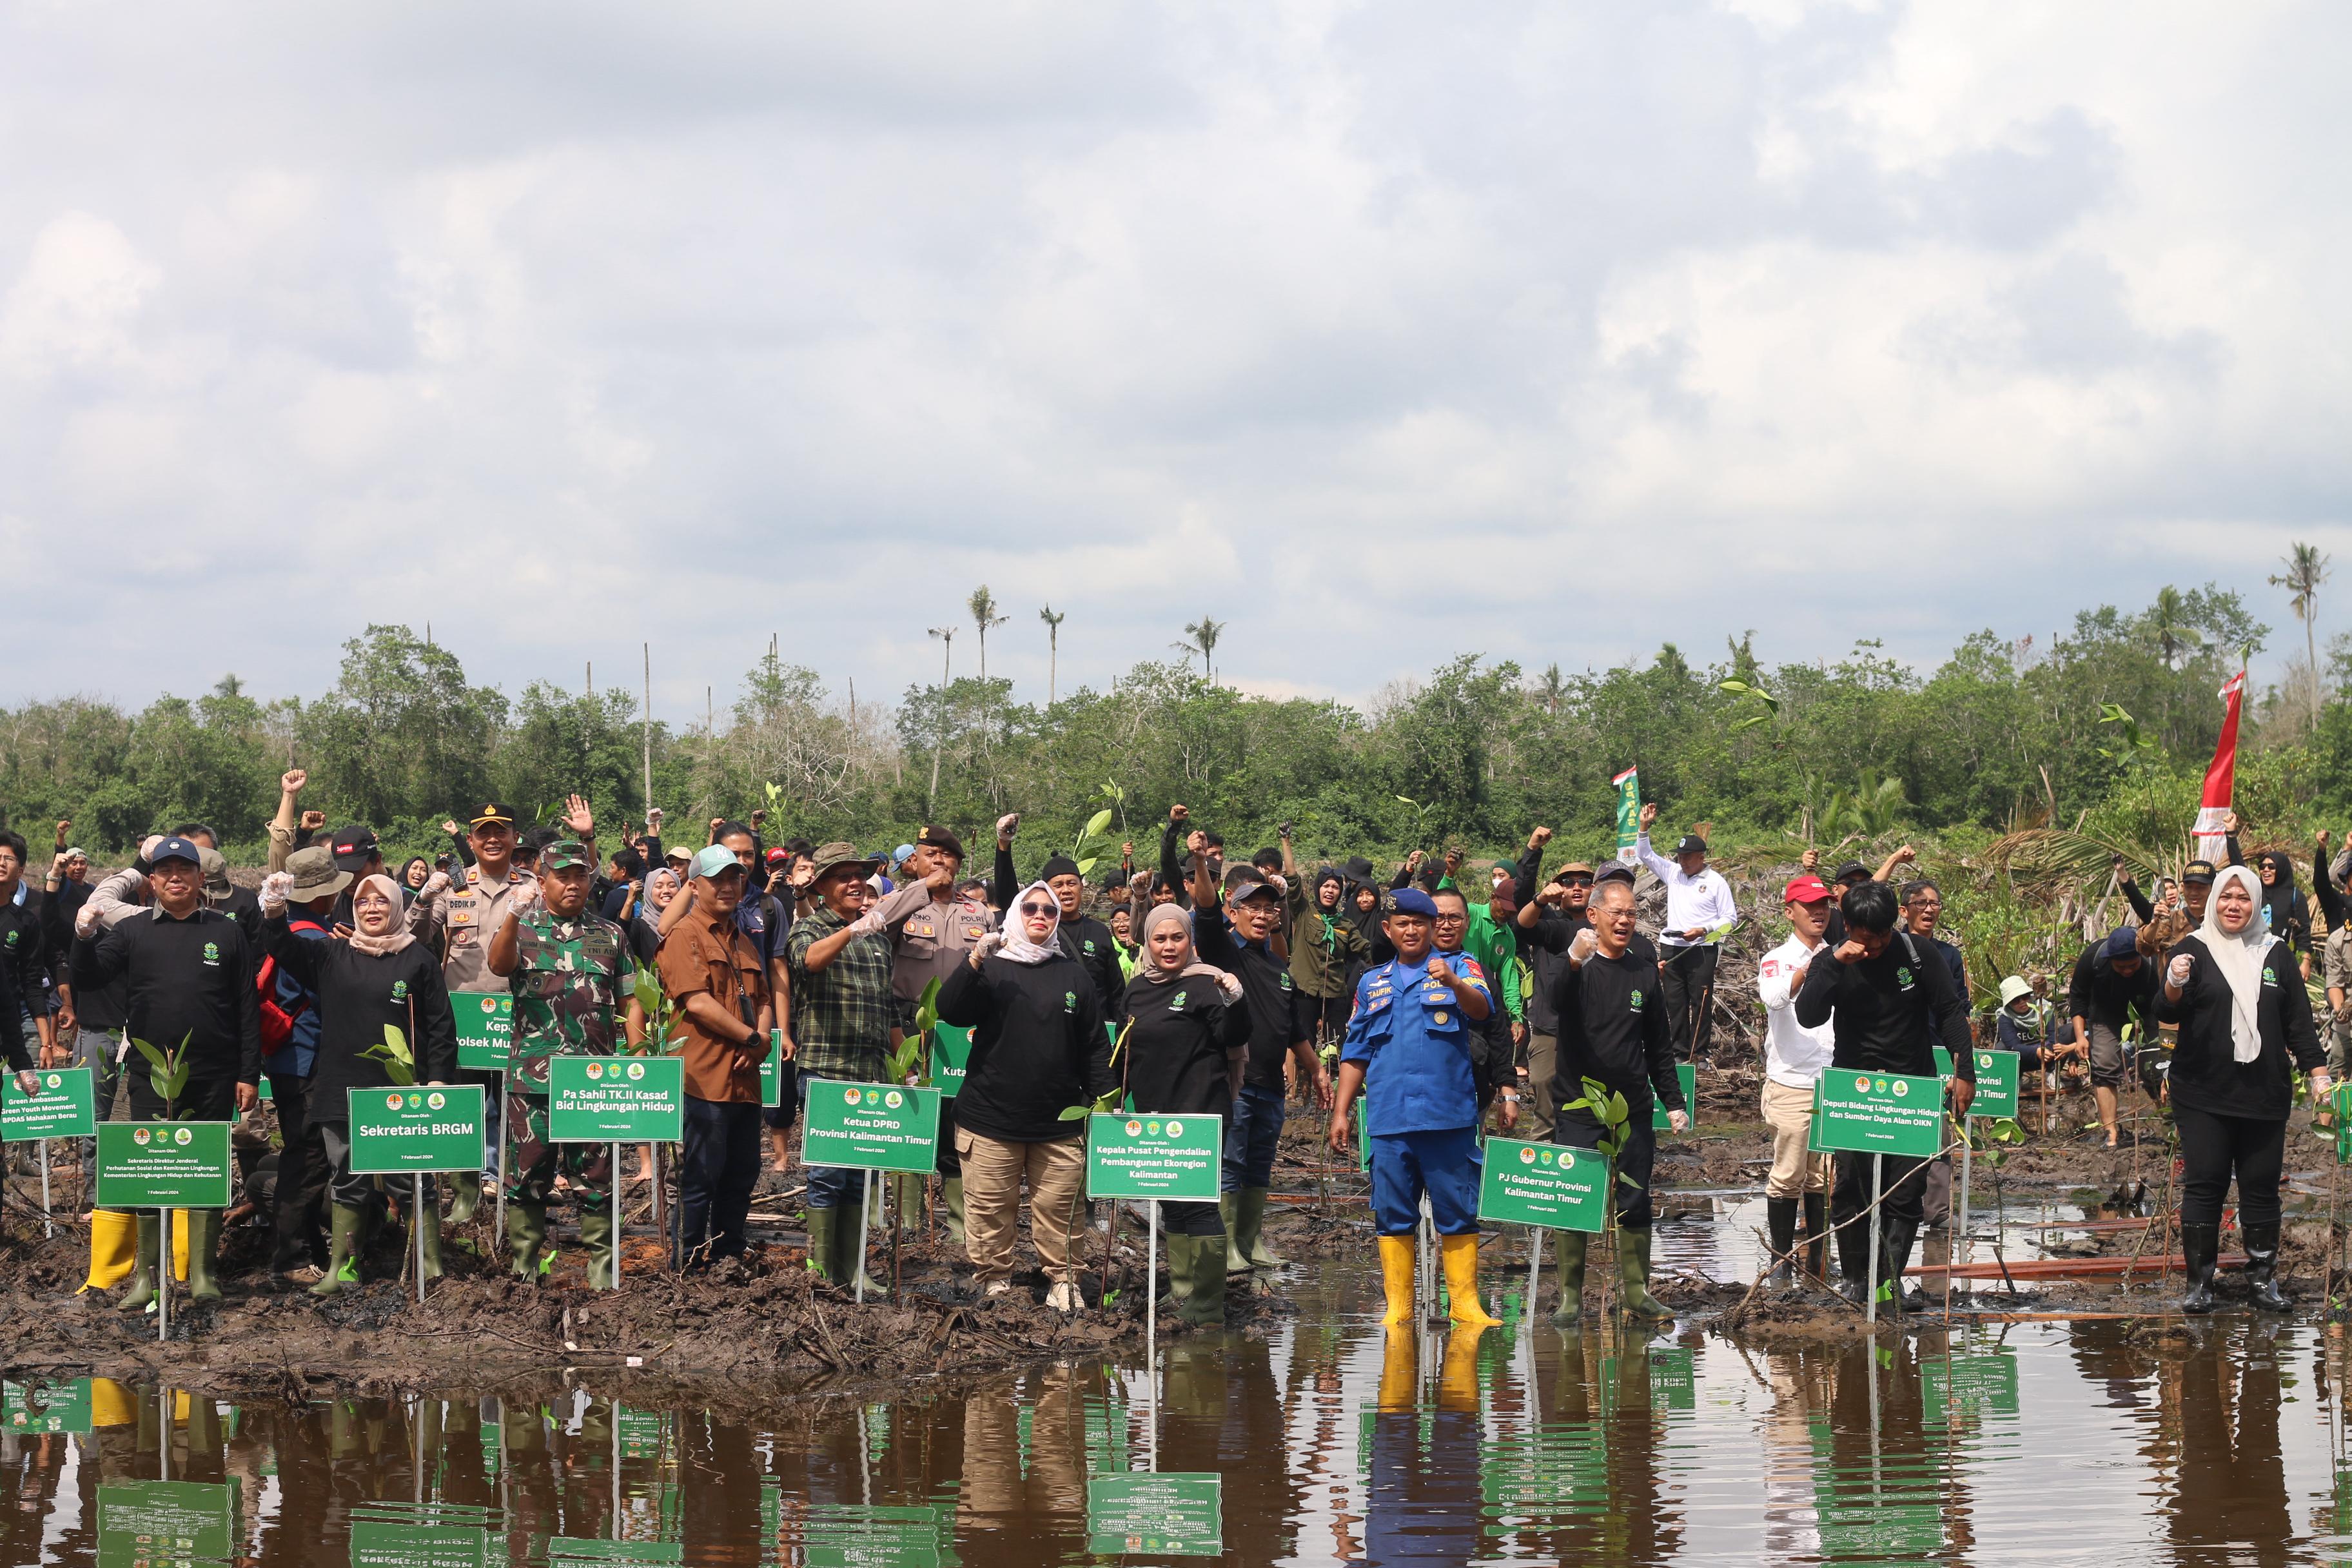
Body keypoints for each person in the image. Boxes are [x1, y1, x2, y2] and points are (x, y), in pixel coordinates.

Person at [70, 836, 261, 1308]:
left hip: (214, 1073)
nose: (176, 877)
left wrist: (248, 1073)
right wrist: (83, 938)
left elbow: (245, 1006)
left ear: (201, 879)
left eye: (185, 870)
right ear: (152, 882)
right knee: (150, 1171)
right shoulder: (135, 932)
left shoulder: (226, 931)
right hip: (151, 1074)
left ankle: (200, 1272)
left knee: (205, 1170)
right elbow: (90, 977)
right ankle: (146, 1278)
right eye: (166, 871)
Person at [257, 868, 457, 1295]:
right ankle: (342, 1268)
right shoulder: (331, 955)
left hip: (401, 1089)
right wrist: (274, 909)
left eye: (381, 901)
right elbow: (282, 947)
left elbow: (441, 1027)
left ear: (397, 907)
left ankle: (430, 1265)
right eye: (363, 902)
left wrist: (437, 1082)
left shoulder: (417, 959)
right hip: (340, 1086)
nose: (371, 908)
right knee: (346, 1174)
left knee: (410, 1178)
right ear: (352, 907)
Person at [1324, 887, 1502, 1327]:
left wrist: (1455, 982)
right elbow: (1356, 1051)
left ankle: (1465, 1305)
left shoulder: (1459, 966)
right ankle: (1399, 1307)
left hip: (1448, 1117)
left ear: (1430, 929)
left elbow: (1482, 1010)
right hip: (1389, 1119)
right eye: (1402, 923)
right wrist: (1341, 1111)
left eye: (1419, 923)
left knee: (1457, 1210)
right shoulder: (1372, 981)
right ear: (1388, 929)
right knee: (1392, 1213)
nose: (1411, 930)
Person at [936, 881, 1117, 1310]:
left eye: (1050, 911)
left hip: (1058, 1119)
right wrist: (976, 957)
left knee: (1061, 1210)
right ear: (1017, 913)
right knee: (991, 1208)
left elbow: (1094, 1044)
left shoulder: (1073, 974)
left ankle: (1062, 1279)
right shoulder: (993, 967)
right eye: (1032, 908)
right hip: (991, 1116)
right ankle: (995, 1278)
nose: (1041, 916)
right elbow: (951, 1010)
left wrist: (1107, 1102)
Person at [1794, 880, 1973, 1310]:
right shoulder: (1831, 958)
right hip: (1853, 1088)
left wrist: (1964, 1070)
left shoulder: (1917, 954)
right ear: (1849, 926)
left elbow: (1950, 1011)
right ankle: (1857, 1282)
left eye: (1881, 937)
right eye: (1863, 937)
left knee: (1904, 1194)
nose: (1872, 947)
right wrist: (1837, 962)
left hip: (1910, 1087)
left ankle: (1886, 1286)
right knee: (1849, 1190)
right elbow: (1808, 1014)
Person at [2158, 863, 2328, 1313]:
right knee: (2205, 1184)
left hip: (2264, 1092)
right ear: (2215, 901)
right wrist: (2174, 983)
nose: (2234, 906)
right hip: (2202, 1091)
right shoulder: (2192, 950)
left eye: (2244, 898)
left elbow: (2300, 1026)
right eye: (2226, 897)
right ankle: (2199, 1285)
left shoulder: (2277, 955)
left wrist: (2320, 1076)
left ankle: (2261, 1283)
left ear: (2256, 903)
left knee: (2260, 1187)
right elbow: (2165, 1011)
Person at [483, 837, 643, 1284]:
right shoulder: (523, 928)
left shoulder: (610, 935)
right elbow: (498, 966)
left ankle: (601, 1276)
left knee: (596, 1178)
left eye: (580, 875)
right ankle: (525, 1272)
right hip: (531, 1081)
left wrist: (638, 1061)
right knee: (526, 1179)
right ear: (542, 879)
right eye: (562, 876)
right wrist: (514, 913)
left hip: (592, 1081)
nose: (573, 884)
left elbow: (631, 1000)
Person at [1190, 832, 1328, 1294]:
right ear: (1235, 912)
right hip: (1235, 1080)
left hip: (1271, 1083)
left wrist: (1317, 1069)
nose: (1264, 915)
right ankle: (1228, 1245)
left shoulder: (1277, 967)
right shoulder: (1224, 950)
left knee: (1260, 1163)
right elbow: (1205, 913)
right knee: (1230, 1160)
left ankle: (1251, 1242)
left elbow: (1291, 1030)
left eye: (1271, 909)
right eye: (1253, 907)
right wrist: (1197, 861)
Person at [1547, 877, 1687, 1322]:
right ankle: (1571, 1297)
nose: (1625, 921)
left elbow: (1659, 1044)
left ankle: (1637, 1293)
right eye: (1617, 913)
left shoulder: (1643, 971)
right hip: (1579, 1105)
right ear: (1593, 916)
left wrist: (1674, 1100)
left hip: (1632, 1108)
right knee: (1574, 1197)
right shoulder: (1573, 965)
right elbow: (1553, 1003)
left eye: (1632, 913)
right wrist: (1573, 959)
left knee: (1634, 1197)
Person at [1118, 903, 1249, 1324]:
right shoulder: (1137, 989)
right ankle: (1182, 1289)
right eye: (1161, 938)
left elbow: (1234, 1036)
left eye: (1178, 938)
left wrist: (1235, 1001)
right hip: (1153, 1111)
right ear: (1148, 942)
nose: (1169, 946)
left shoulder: (1206, 983)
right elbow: (1124, 1050)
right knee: (1170, 1204)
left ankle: (1209, 1302)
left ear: (1190, 940)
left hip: (1200, 1111)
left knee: (1198, 1203)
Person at [413, 800, 540, 1224]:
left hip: (516, 1015)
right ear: (470, 840)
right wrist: (422, 898)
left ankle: (510, 1187)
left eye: (500, 831)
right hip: (462, 1016)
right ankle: (466, 1191)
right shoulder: (453, 886)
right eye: (482, 833)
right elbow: (418, 938)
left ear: (514, 838)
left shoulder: (532, 887)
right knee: (466, 1105)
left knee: (512, 1105)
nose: (491, 839)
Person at [783, 841, 897, 1291]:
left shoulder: (878, 943)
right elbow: (808, 963)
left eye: (860, 875)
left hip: (870, 1071)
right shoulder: (809, 930)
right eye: (843, 876)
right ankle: (821, 1275)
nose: (855, 882)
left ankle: (854, 1273)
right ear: (823, 887)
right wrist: (852, 931)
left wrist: (903, 1065)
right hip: (827, 1070)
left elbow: (888, 1010)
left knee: (859, 1177)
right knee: (828, 1175)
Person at [658, 846, 774, 1266]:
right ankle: (686, 1262)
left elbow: (762, 998)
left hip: (745, 1080)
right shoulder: (684, 936)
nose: (728, 887)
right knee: (701, 1176)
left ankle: (728, 1253)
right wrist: (751, 1039)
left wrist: (761, 1039)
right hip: (703, 1077)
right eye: (717, 880)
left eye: (735, 878)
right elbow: (698, 1003)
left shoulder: (742, 938)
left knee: (742, 1174)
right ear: (693, 886)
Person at [869, 826, 985, 1242]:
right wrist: (919, 889)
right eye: (930, 854)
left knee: (957, 1125)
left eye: (947, 855)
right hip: (906, 1023)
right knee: (909, 1122)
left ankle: (958, 1228)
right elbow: (873, 926)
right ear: (914, 862)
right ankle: (907, 1225)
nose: (940, 862)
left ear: (958, 862)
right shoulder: (899, 905)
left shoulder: (979, 913)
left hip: (958, 1031)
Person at [254, 846, 342, 1284]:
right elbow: (334, 1007)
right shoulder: (315, 940)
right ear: (324, 896)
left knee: (300, 1155)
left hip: (287, 1058)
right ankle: (290, 1258)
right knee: (306, 1162)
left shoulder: (292, 928)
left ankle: (310, 1252)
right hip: (309, 1060)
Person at [1756, 874, 1835, 1286]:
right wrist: (1813, 968)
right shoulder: (1778, 958)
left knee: (1823, 1177)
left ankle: (1819, 1260)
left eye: (1823, 905)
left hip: (1833, 1083)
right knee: (1788, 1175)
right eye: (1809, 906)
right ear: (1790, 913)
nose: (1818, 912)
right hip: (1792, 1082)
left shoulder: (1839, 954)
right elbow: (1773, 997)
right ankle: (1781, 1263)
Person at [1633, 803, 1738, 1063]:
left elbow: (1730, 920)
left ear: (1702, 856)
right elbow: (1646, 854)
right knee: (1675, 1001)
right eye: (1680, 856)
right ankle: (1679, 1052)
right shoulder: (1673, 873)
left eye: (1689, 857)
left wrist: (1704, 929)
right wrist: (1644, 826)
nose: (1683, 861)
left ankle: (1699, 1052)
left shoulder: (1715, 882)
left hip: (1701, 949)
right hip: (1672, 945)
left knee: (1700, 1001)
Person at [991, 815, 1124, 1012]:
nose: (1066, 890)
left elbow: (1116, 990)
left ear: (1081, 888)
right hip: (1050, 1023)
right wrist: (1004, 846)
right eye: (1058, 885)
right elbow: (1008, 897)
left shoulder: (1099, 931)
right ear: (1047, 892)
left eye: (1072, 883)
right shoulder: (1040, 928)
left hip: (1095, 1027)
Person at [1513, 838, 1598, 1141]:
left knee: (1590, 1098)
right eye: (1568, 883)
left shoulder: (1607, 926)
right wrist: (1533, 851)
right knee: (1544, 1087)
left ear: (1595, 890)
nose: (1576, 887)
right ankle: (1540, 1170)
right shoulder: (1549, 923)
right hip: (1550, 1024)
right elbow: (1522, 904)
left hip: (1592, 1028)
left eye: (1584, 882)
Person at [1279, 828, 1370, 1059]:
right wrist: (1286, 841)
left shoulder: (1345, 924)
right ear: (1318, 888)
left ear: (1341, 893)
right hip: (1305, 990)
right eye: (1326, 886)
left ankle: (1334, 1090)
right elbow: (1293, 878)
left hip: (1335, 993)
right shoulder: (1305, 912)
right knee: (1304, 1042)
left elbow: (1366, 950)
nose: (1330, 891)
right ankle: (1304, 1091)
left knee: (1336, 1046)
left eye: (1336, 887)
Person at [2066, 925, 2159, 1148]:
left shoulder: (2152, 963)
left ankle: (2171, 1126)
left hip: (2147, 1011)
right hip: (2105, 1013)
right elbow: (2078, 999)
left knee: (2155, 1069)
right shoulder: (2093, 959)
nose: (2127, 971)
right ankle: (2111, 1133)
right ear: (2110, 960)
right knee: (2104, 1065)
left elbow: (2164, 1002)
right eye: (2121, 967)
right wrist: (2080, 1037)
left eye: (2132, 966)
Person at [1994, 977, 2050, 1067]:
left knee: (2068, 1031)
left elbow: (2053, 1034)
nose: (2022, 1002)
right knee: (2001, 1049)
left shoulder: (2043, 1007)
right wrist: (2036, 1051)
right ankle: (2014, 1077)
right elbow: (2013, 1046)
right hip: (2021, 1059)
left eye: (2025, 997)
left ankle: (2051, 1072)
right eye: (2015, 1000)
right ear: (2008, 1004)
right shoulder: (2005, 1017)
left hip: (2047, 1053)